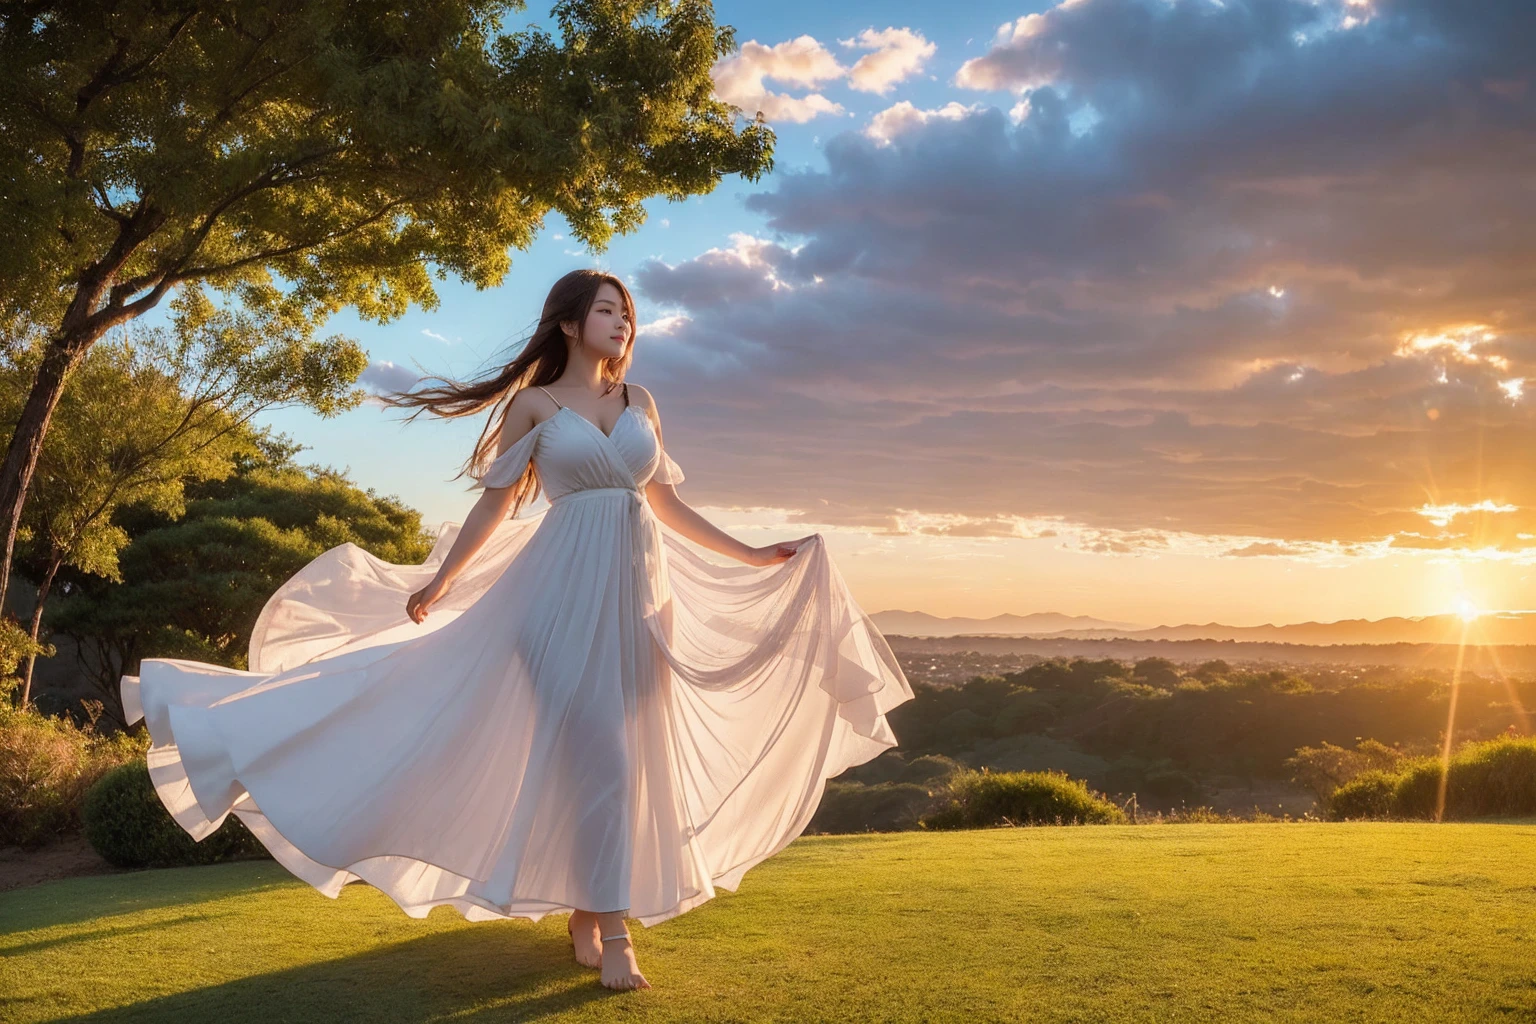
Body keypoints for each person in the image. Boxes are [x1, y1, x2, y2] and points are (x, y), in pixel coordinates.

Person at [121, 268, 914, 992]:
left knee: (618, 760)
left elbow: (665, 504)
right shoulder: (534, 405)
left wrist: (751, 554)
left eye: (629, 316)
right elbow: (495, 504)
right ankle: (616, 934)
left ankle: (583, 908)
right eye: (608, 311)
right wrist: (442, 580)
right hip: (558, 603)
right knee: (597, 750)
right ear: (569, 324)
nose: (623, 325)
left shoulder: (642, 405)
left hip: (642, 601)